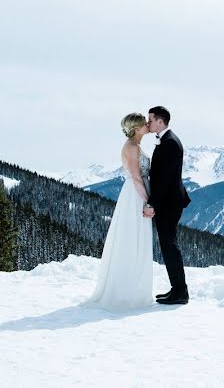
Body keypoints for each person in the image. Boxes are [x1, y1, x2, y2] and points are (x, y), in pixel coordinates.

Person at [86, 112, 153, 310]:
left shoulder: (136, 146)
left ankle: (134, 288)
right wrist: (148, 202)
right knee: (132, 238)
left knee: (136, 238)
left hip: (137, 192)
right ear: (136, 128)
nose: (147, 125)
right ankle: (127, 291)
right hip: (135, 194)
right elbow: (136, 177)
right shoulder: (131, 147)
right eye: (144, 123)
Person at [144, 106, 192, 305]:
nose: (148, 123)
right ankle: (177, 289)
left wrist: (152, 203)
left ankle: (180, 292)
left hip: (169, 202)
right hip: (169, 200)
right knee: (167, 245)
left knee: (169, 245)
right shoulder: (167, 140)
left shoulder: (170, 143)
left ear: (160, 122)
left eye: (151, 120)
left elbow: (164, 179)